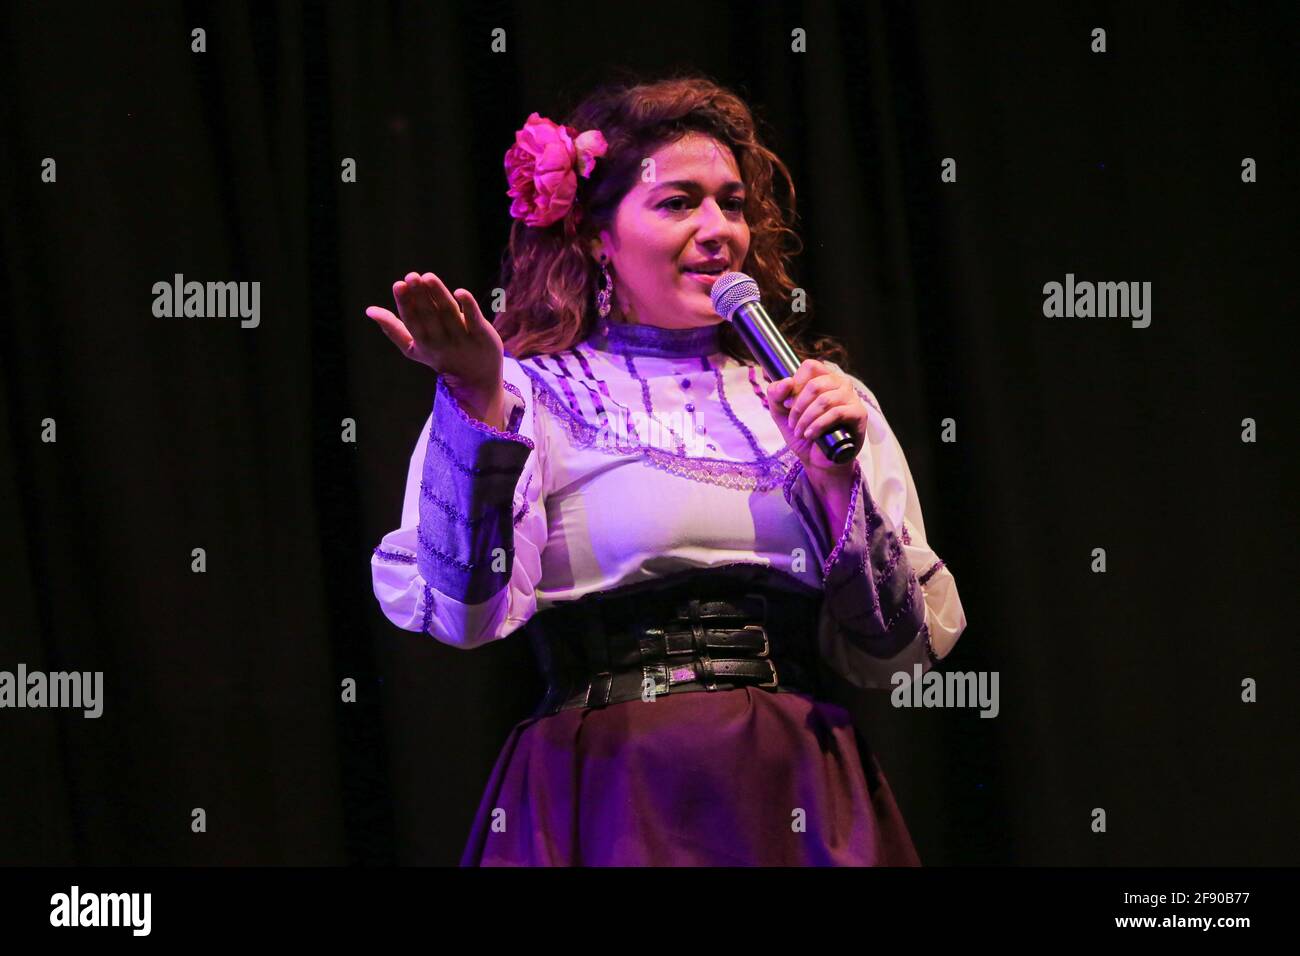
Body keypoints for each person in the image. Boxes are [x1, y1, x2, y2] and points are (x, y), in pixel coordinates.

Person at [366, 75, 967, 866]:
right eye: (678, 202)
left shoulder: (816, 402)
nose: (719, 229)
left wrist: (834, 483)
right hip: (612, 786)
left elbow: (892, 653)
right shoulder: (529, 394)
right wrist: (474, 397)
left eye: (732, 203)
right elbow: (461, 613)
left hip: (793, 788)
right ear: (594, 236)